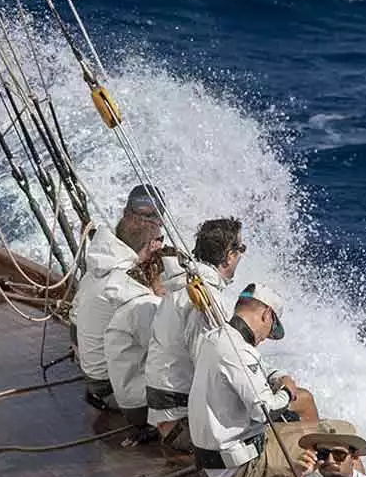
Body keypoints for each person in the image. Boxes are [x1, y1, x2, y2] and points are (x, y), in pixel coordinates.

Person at [186, 285, 320, 477]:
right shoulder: (238, 350)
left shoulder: (216, 337)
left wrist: (279, 378)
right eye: (270, 329)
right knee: (337, 435)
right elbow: (265, 411)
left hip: (220, 458)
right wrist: (286, 391)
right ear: (266, 314)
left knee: (308, 409)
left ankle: (314, 475)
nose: (266, 337)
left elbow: (259, 369)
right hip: (240, 468)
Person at [144, 218, 244, 436]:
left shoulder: (183, 285)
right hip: (179, 423)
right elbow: (210, 367)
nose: (241, 256)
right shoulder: (204, 297)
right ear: (228, 257)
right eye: (241, 249)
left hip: (166, 411)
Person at [71, 187, 167, 409]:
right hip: (112, 389)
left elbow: (75, 317)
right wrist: (156, 286)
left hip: (92, 374)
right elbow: (166, 338)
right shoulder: (127, 288)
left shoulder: (99, 264)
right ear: (152, 245)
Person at [102, 273, 165, 440]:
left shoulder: (128, 303)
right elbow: (164, 353)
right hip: (142, 406)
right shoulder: (147, 306)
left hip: (129, 398)